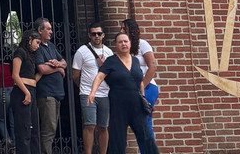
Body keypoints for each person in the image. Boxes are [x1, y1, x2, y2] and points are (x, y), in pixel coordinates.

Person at [86, 32, 159, 154]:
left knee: (145, 136)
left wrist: (143, 97)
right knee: (117, 139)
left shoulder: (135, 61)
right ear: (116, 45)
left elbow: (139, 80)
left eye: (125, 41)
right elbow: (99, 77)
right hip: (118, 105)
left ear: (130, 44)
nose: (123, 44)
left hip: (136, 104)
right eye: (120, 42)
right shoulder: (111, 61)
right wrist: (93, 92)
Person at [72, 23, 112, 154]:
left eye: (99, 34)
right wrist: (84, 88)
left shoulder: (108, 52)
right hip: (87, 93)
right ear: (89, 35)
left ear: (103, 35)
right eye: (93, 34)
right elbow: (75, 75)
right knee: (90, 125)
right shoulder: (81, 51)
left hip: (105, 94)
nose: (96, 36)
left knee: (104, 127)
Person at [34, 18, 67, 154]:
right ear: (40, 30)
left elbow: (64, 62)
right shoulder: (38, 48)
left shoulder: (51, 46)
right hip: (47, 94)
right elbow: (42, 69)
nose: (51, 32)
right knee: (49, 129)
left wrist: (58, 64)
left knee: (52, 129)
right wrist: (58, 69)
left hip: (57, 94)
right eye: (48, 29)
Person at [122, 18, 158, 139]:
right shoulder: (124, 48)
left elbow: (152, 66)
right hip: (133, 90)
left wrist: (142, 86)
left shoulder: (142, 44)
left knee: (145, 123)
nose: (121, 31)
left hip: (147, 87)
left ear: (131, 30)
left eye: (124, 29)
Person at [10, 29, 42, 154]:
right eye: (37, 42)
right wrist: (26, 92)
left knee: (33, 128)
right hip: (22, 91)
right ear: (29, 39)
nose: (38, 46)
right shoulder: (20, 52)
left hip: (31, 89)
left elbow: (32, 78)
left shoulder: (31, 55)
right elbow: (15, 75)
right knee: (24, 129)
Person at [0, 57, 14, 144]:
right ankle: (15, 143)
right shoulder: (13, 67)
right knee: (12, 119)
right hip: (13, 92)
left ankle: (7, 139)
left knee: (1, 119)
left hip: (3, 92)